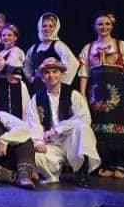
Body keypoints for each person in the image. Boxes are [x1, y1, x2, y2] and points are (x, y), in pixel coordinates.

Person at [78, 12, 124, 178]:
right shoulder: (88, 48)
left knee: (120, 125)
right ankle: (107, 164)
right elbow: (84, 73)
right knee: (100, 126)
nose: (103, 27)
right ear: (94, 27)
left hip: (119, 92)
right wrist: (82, 94)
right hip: (96, 93)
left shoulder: (121, 45)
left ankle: (121, 165)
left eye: (107, 24)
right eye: (100, 24)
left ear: (112, 26)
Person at [24, 58, 101, 186]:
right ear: (42, 77)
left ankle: (81, 172)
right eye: (47, 72)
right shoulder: (37, 98)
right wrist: (38, 140)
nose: (51, 75)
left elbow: (84, 118)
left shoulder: (73, 94)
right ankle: (52, 174)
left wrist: (57, 130)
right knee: (34, 152)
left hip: (71, 141)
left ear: (61, 74)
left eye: (55, 71)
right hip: (52, 144)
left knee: (83, 128)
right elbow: (33, 122)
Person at [23, 12, 79, 93]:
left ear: (55, 28)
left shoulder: (58, 45)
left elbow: (73, 63)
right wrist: (31, 78)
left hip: (54, 87)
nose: (47, 28)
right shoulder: (34, 47)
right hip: (38, 87)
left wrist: (62, 82)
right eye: (44, 26)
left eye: (51, 26)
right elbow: (27, 64)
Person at [0, 23, 31, 119]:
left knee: (13, 112)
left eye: (9, 35)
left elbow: (10, 67)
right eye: (3, 35)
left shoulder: (16, 51)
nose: (6, 37)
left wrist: (0, 69)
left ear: (15, 37)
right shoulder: (0, 53)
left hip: (13, 87)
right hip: (2, 86)